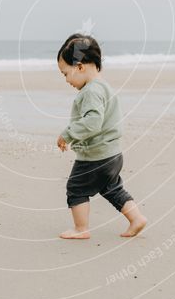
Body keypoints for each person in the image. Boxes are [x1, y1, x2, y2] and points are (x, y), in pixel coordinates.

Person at [56, 34, 148, 239]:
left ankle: (81, 229)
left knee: (76, 188)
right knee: (112, 188)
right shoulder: (104, 87)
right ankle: (137, 218)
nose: (66, 80)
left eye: (65, 74)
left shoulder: (90, 92)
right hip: (113, 154)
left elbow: (93, 122)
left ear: (80, 67)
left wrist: (68, 134)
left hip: (95, 156)